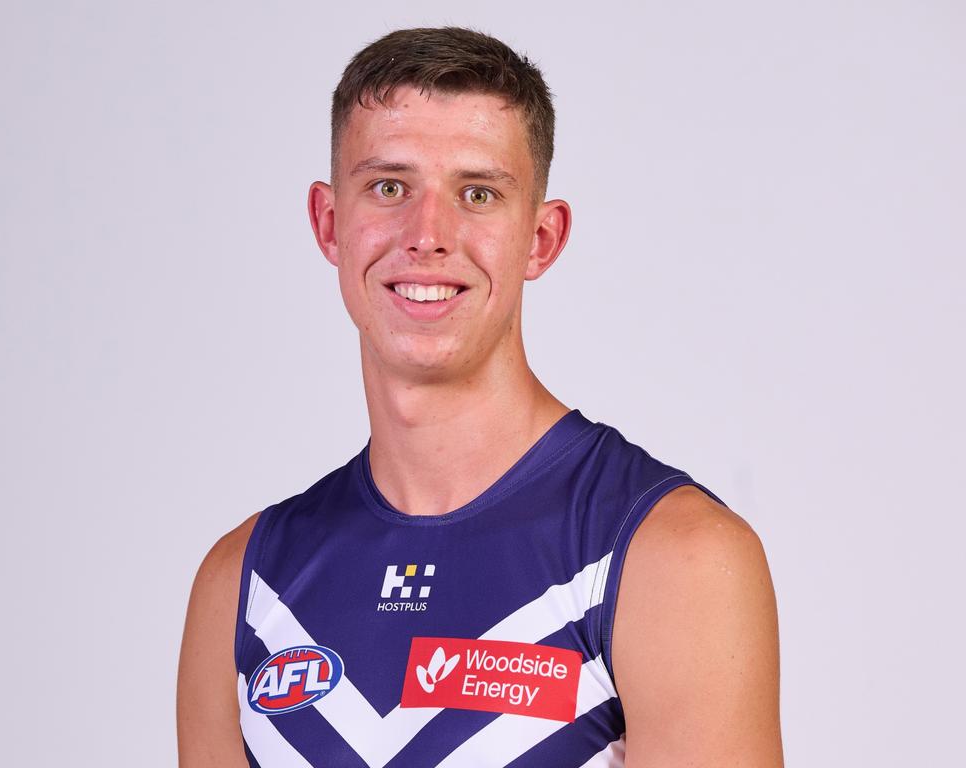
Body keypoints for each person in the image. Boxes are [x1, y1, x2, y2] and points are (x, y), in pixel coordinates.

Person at [177, 26, 783, 768]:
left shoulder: (674, 559)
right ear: (330, 222)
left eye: (477, 193)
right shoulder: (243, 589)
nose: (427, 234)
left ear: (541, 238)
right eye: (389, 187)